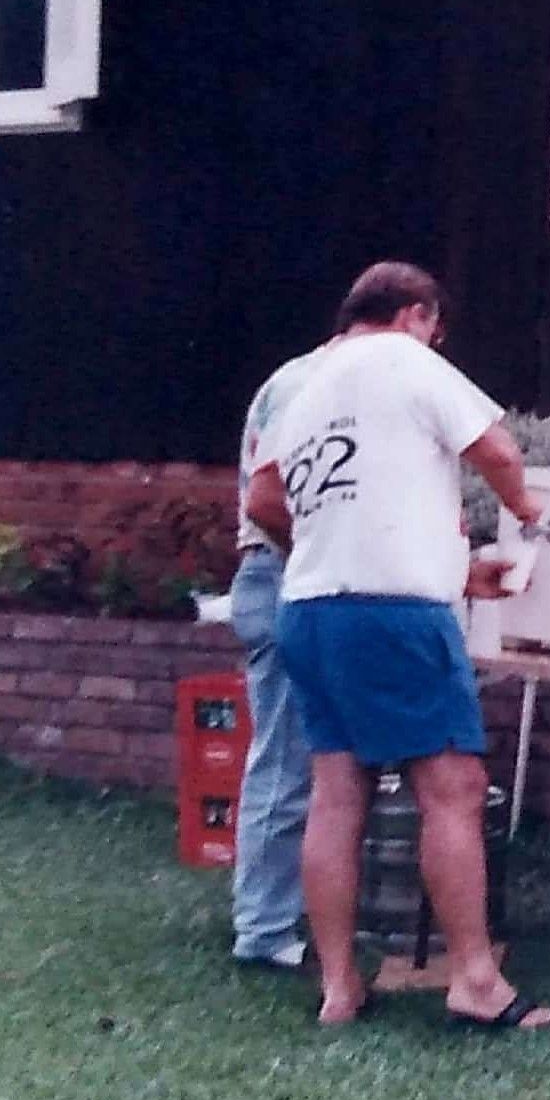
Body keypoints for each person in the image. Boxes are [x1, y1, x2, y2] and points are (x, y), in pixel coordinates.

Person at [244, 262, 550, 1033]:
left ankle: (339, 986)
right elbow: (497, 450)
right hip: (396, 614)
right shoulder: (408, 360)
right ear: (415, 313)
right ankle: (475, 980)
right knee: (451, 786)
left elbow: (263, 499)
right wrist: (527, 512)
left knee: (337, 791)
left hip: (310, 608)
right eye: (434, 328)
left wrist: (347, 549)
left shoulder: (306, 384)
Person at [225, 335, 331, 970]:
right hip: (282, 577)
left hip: (289, 579)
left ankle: (296, 912)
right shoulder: (308, 386)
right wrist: (330, 546)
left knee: (303, 762)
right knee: (285, 761)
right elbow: (266, 501)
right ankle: (263, 929)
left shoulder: (303, 376)